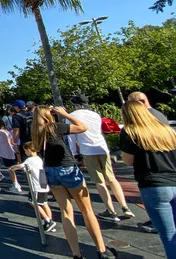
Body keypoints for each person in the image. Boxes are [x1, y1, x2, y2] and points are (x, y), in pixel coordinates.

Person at [32, 105, 117, 259]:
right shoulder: (55, 127)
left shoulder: (36, 132)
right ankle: (101, 250)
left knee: (66, 212)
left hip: (51, 170)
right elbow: (82, 127)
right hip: (67, 168)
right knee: (87, 210)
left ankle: (76, 253)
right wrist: (65, 114)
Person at [120, 100, 176, 258]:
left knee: (169, 235)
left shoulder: (130, 132)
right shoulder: (166, 130)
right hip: (174, 180)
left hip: (153, 185)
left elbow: (128, 160)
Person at [68, 94, 134, 222]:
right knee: (111, 178)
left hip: (88, 150)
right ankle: (125, 207)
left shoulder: (72, 116)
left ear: (75, 104)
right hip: (102, 147)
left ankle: (111, 211)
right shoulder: (95, 114)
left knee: (100, 181)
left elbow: (71, 137)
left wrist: (74, 153)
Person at [10, 141, 57, 233]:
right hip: (43, 184)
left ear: (28, 150)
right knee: (44, 203)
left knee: (33, 203)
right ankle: (50, 223)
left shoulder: (30, 160)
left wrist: (12, 167)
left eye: (25, 151)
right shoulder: (39, 159)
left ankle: (48, 220)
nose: (25, 153)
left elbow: (21, 165)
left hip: (36, 186)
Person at [0, 120, 22, 192]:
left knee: (10, 169)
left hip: (5, 152)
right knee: (11, 169)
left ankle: (15, 184)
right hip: (10, 151)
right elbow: (12, 142)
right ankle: (16, 183)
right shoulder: (7, 131)